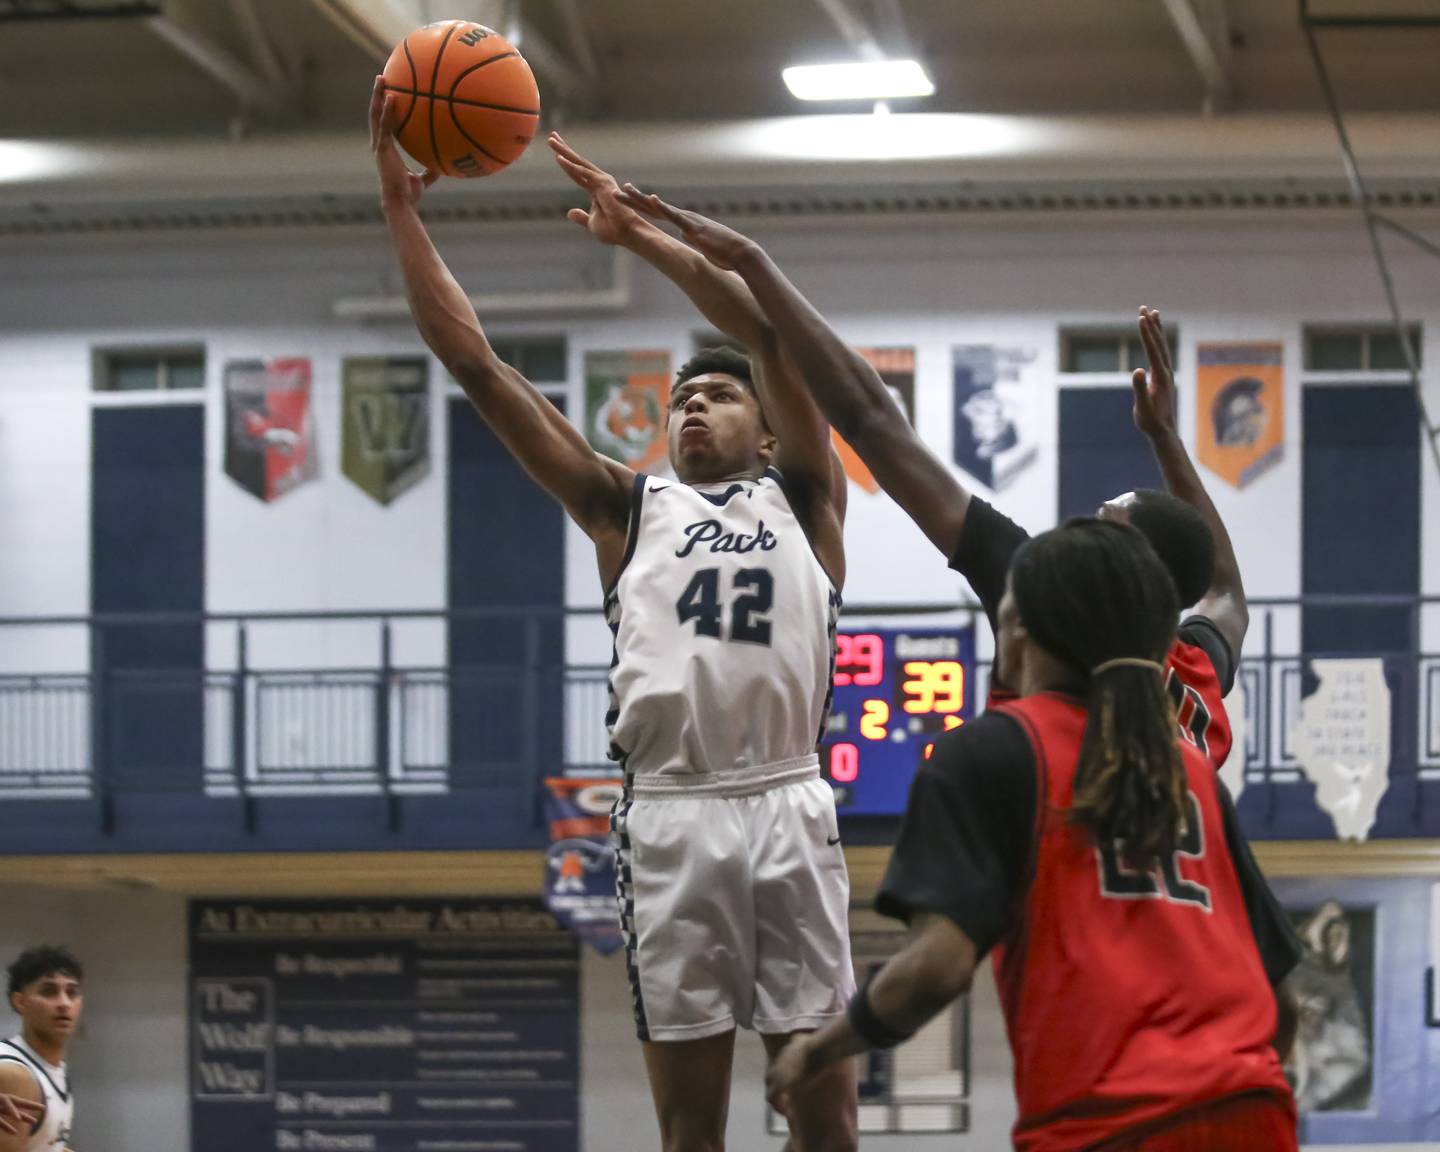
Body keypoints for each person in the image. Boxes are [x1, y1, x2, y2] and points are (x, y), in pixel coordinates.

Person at [370, 81, 857, 1152]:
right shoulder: (622, 506)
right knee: (692, 1132)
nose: (693, 403)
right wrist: (403, 213)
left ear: (769, 432)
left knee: (826, 1115)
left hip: (784, 799)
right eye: (681, 395)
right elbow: (476, 364)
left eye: (719, 394)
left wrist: (642, 240)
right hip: (672, 815)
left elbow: (772, 326)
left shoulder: (807, 497)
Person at [619, 188, 1244, 769]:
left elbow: (872, 422)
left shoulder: (1046, 598)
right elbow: (1223, 589)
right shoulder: (1196, 673)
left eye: (1102, 525)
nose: (1078, 530)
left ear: (1130, 570)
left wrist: (756, 265)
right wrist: (1164, 438)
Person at [766, 518, 1300, 1150]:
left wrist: (819, 1051)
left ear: (1018, 630)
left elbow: (935, 970)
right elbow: (1283, 1003)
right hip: (1252, 1110)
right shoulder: (1187, 768)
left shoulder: (992, 751)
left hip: (1107, 1123)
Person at [0, 946, 81, 1152]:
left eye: (72, 993)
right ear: (20, 1002)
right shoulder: (15, 1076)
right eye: (49, 991)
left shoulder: (53, 1069)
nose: (64, 1003)